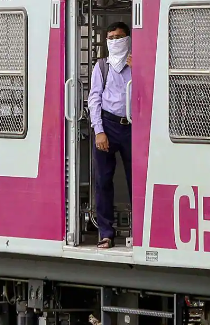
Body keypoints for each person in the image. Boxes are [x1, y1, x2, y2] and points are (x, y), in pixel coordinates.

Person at [87, 21, 132, 249]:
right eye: (111, 37)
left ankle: (139, 231)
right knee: (103, 181)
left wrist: (140, 68)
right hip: (108, 124)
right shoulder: (101, 66)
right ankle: (106, 233)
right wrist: (99, 131)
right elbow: (94, 98)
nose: (115, 41)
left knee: (137, 180)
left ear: (129, 38)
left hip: (133, 126)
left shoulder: (136, 63)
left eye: (119, 37)